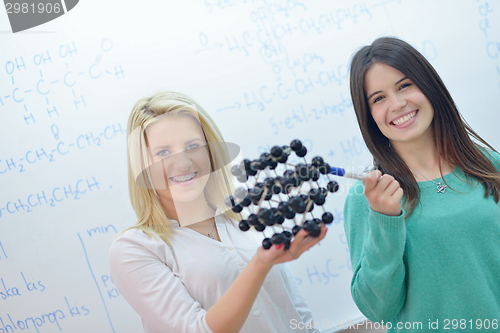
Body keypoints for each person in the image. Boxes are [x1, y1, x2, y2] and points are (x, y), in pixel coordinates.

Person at [109, 91, 325, 333]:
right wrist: (259, 264)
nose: (183, 164)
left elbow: (295, 311)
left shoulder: (246, 219)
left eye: (192, 146)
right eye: (163, 152)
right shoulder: (135, 249)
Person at [344, 37, 500, 332]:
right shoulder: (368, 197)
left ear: (430, 87)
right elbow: (378, 309)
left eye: (404, 86)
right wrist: (383, 219)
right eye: (378, 98)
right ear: (369, 115)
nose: (397, 104)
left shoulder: (489, 166)